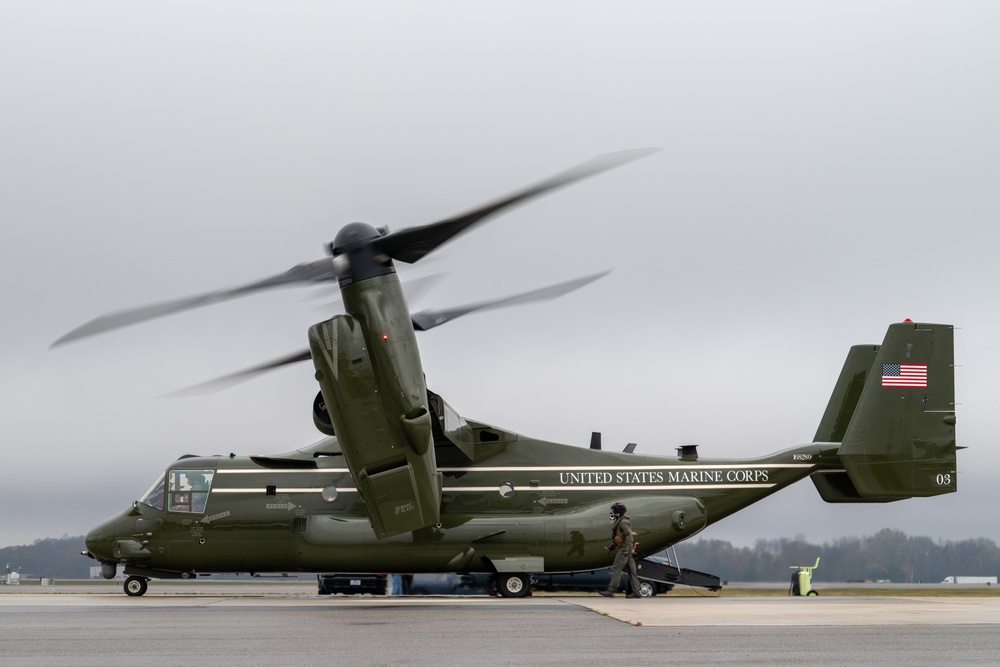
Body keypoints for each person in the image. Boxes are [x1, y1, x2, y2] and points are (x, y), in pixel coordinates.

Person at [599, 502, 642, 598]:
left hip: (624, 550)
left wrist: (626, 549)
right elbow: (620, 537)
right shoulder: (622, 522)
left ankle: (611, 590)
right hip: (626, 549)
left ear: (618, 512)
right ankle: (636, 592)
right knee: (632, 571)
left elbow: (628, 535)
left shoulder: (622, 523)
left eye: (613, 511)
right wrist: (612, 546)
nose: (612, 513)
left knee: (616, 569)